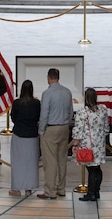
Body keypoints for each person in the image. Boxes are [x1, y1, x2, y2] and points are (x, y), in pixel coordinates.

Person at [37, 67, 73, 200]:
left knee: (50, 161)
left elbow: (44, 114)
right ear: (58, 77)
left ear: (48, 77)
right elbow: (70, 112)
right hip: (64, 128)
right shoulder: (67, 92)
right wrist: (66, 124)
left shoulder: (47, 93)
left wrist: (41, 131)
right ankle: (61, 188)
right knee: (62, 160)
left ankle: (50, 191)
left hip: (51, 129)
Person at [72, 87, 109, 203]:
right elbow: (106, 128)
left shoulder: (82, 112)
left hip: (87, 144)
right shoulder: (102, 110)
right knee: (97, 168)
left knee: (91, 169)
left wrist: (75, 143)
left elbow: (78, 130)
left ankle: (91, 193)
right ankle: (96, 190)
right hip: (99, 144)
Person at [9, 79, 40, 197]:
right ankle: (29, 188)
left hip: (19, 135)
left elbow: (13, 118)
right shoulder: (36, 103)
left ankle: (16, 188)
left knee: (17, 162)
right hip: (32, 135)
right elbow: (38, 117)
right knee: (31, 162)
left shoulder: (17, 103)